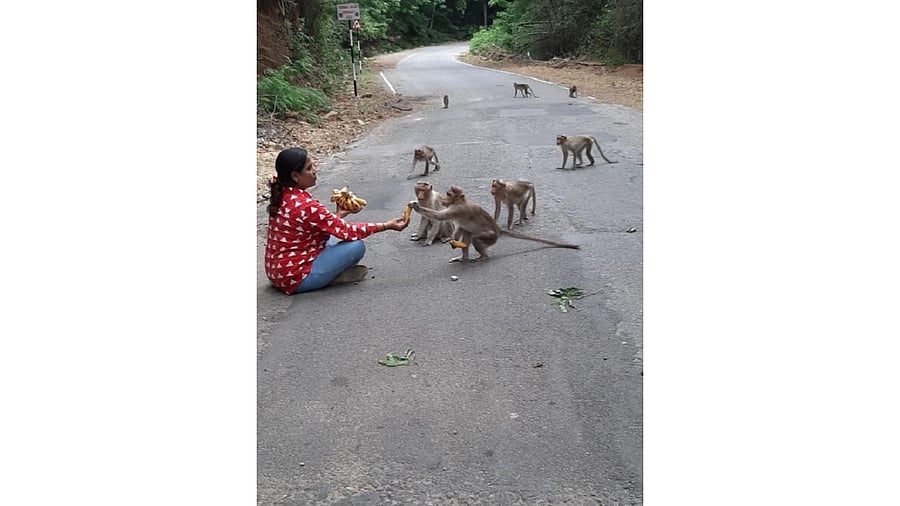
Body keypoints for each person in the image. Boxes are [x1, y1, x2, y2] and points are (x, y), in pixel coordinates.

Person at [265, 147, 409, 294]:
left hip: (277, 273)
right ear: (295, 176)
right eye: (309, 168)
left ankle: (328, 273)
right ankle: (329, 278)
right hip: (296, 279)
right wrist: (386, 226)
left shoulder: (284, 194)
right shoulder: (305, 205)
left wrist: (338, 214)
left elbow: (311, 226)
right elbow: (347, 231)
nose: (315, 170)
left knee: (331, 237)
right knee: (356, 246)